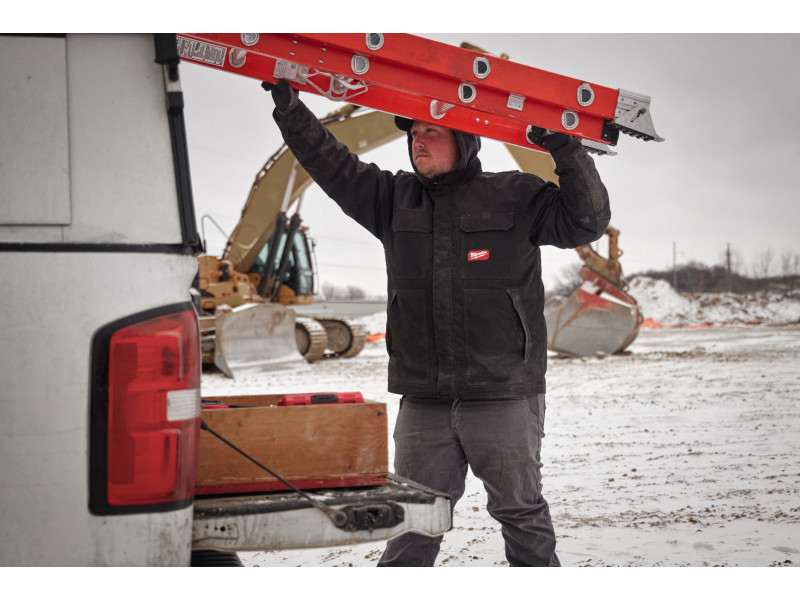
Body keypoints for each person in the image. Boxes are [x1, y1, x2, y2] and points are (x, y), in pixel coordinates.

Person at [263, 78, 610, 567]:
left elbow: (587, 220)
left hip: (504, 394)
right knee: (412, 522)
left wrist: (564, 148)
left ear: (463, 138)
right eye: (413, 133)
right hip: (424, 400)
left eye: (431, 131)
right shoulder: (392, 198)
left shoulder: (517, 194)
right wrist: (291, 111)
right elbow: (332, 165)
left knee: (521, 514)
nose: (417, 141)